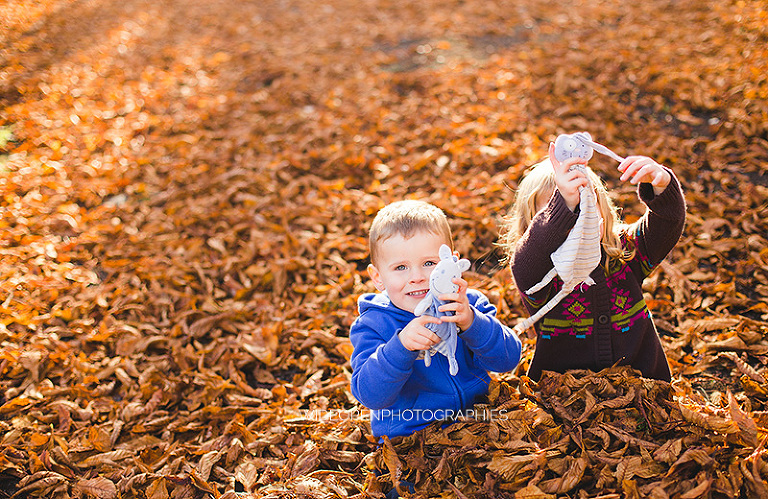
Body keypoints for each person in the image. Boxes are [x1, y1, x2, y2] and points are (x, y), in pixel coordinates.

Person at [500, 142, 686, 382]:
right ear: (537, 228)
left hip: (644, 387)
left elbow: (666, 224)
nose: (578, 219)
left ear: (603, 208)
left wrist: (662, 186)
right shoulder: (541, 276)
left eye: (586, 203)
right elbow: (525, 263)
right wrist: (563, 203)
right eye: (564, 213)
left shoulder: (623, 251)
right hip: (566, 398)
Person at [350, 200, 522, 440]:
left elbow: (508, 360)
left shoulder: (467, 303)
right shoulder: (374, 324)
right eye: (401, 267)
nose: (417, 277)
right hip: (411, 435)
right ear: (378, 277)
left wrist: (473, 323)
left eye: (429, 263)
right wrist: (400, 347)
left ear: (452, 262)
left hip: (477, 420)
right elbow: (370, 395)